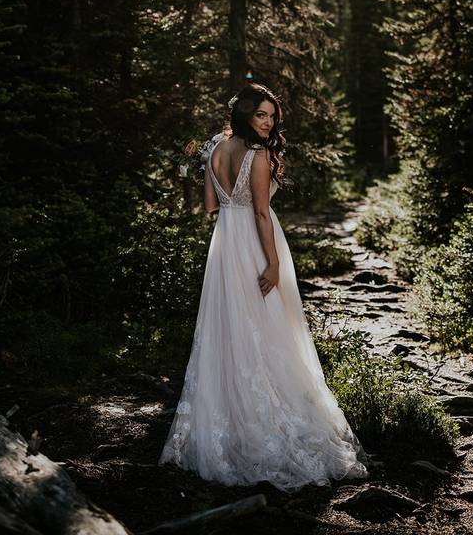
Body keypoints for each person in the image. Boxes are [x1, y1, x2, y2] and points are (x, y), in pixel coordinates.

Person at [157, 82, 370, 491]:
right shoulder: (257, 155)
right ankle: (264, 425)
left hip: (224, 246)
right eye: (262, 115)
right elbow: (259, 212)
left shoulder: (216, 149)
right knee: (272, 331)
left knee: (231, 331)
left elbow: (209, 206)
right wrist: (272, 263)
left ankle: (228, 428)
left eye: (272, 116)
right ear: (244, 115)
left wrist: (212, 165)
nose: (269, 122)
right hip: (254, 246)